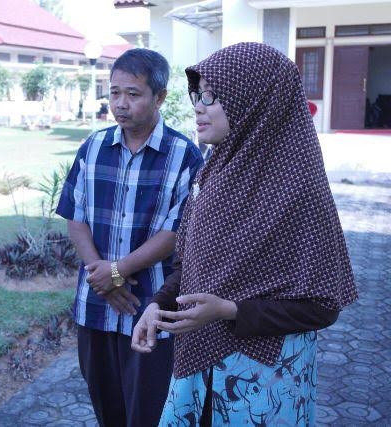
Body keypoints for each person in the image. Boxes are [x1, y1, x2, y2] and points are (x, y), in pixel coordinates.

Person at [132, 42, 358, 426]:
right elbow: (192, 267)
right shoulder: (215, 173)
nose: (198, 107)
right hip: (199, 373)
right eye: (198, 94)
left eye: (212, 95)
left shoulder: (298, 191)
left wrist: (230, 310)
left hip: (264, 385)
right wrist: (158, 304)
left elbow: (322, 306)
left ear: (254, 102)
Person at [56, 48, 203, 426]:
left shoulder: (184, 155)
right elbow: (75, 216)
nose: (121, 104)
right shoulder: (93, 147)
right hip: (96, 305)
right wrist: (103, 277)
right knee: (107, 410)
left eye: (133, 94)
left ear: (160, 97)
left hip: (151, 307)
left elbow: (177, 232)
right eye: (114, 93)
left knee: (149, 412)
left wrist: (117, 271)